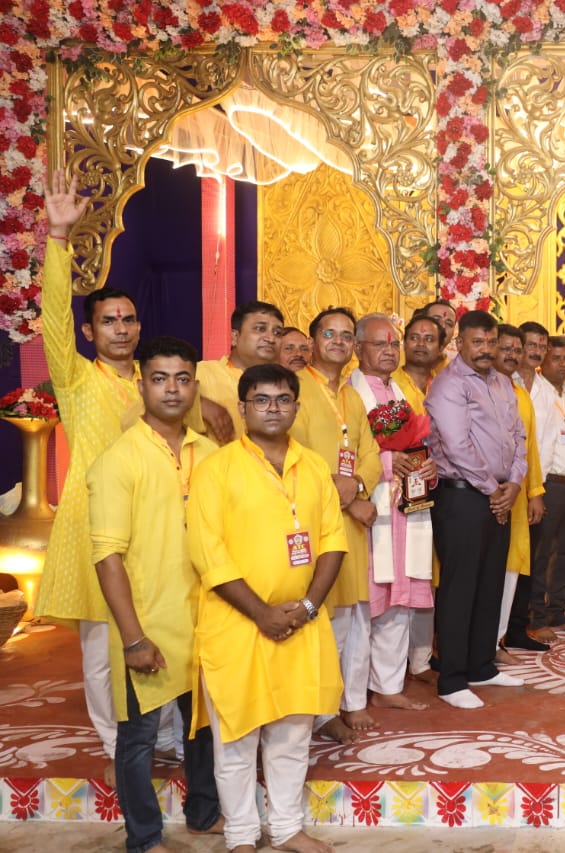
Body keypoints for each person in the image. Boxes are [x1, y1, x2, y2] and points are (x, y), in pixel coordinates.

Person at [188, 363, 345, 853]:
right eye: (261, 399)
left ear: (296, 406)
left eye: (282, 399)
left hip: (302, 625)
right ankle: (240, 834)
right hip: (236, 625)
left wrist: (308, 606)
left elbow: (333, 541)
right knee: (236, 739)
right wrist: (261, 612)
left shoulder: (313, 467)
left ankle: (286, 829)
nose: (272, 408)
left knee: (293, 735)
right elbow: (208, 554)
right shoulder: (216, 469)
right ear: (242, 408)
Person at [88, 336, 222, 852]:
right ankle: (143, 838)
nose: (172, 389)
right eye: (160, 378)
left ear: (195, 386)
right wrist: (133, 637)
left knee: (201, 730)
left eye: (182, 378)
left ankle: (203, 814)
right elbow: (107, 557)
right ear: (142, 385)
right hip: (148, 622)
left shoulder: (210, 453)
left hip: (205, 618)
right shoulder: (119, 460)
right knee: (138, 739)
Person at [37, 169, 146, 784]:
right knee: (104, 648)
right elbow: (53, 318)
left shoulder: (159, 382)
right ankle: (115, 745)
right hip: (94, 528)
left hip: (153, 527)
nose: (121, 328)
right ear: (89, 331)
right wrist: (58, 237)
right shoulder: (78, 380)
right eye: (109, 321)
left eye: (128, 319)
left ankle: (157, 736)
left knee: (155, 632)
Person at [426, 310, 528, 709]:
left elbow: (519, 436)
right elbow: (457, 445)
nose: (486, 349)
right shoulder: (448, 384)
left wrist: (513, 484)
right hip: (462, 497)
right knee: (460, 586)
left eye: (491, 342)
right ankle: (452, 679)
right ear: (460, 344)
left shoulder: (502, 382)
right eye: (478, 342)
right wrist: (493, 490)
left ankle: (481, 665)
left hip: (498, 493)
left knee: (490, 582)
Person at [290, 307, 381, 743]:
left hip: (353, 521)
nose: (339, 342)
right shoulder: (296, 388)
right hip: (316, 520)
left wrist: (358, 484)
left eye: (346, 335)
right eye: (330, 334)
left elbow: (370, 453)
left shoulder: (351, 396)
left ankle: (350, 700)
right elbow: (293, 455)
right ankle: (320, 710)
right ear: (312, 342)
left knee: (355, 615)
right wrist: (342, 494)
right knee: (323, 619)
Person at [348, 314, 435, 713]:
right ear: (358, 348)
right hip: (369, 507)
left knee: (400, 599)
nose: (389, 351)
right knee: (367, 601)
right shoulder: (350, 394)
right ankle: (352, 695)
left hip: (405, 506)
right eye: (379, 344)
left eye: (393, 344)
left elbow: (417, 440)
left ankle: (388, 684)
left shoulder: (401, 391)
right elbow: (345, 453)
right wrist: (387, 462)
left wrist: (426, 464)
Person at [526, 336, 565, 644]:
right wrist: (535, 489)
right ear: (544, 360)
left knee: (564, 551)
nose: (563, 364)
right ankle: (536, 617)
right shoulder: (536, 392)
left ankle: (557, 612)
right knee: (541, 553)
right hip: (547, 482)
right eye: (556, 358)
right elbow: (535, 444)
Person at [494, 325, 548, 656]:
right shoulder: (482, 388)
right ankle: (486, 643)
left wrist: (535, 491)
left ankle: (498, 639)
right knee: (493, 570)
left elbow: (530, 451)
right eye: (506, 348)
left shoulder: (520, 395)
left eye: (517, 350)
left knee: (513, 568)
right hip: (493, 495)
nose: (513, 355)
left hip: (518, 495)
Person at [195, 301, 285, 444]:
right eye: (260, 329)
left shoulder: (285, 385)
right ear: (235, 337)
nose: (271, 338)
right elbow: (157, 398)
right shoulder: (201, 373)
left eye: (277, 333)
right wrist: (198, 404)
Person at [393, 312, 446, 415]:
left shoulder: (445, 387)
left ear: (440, 348)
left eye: (429, 339)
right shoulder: (389, 384)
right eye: (414, 338)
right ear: (404, 343)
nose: (421, 343)